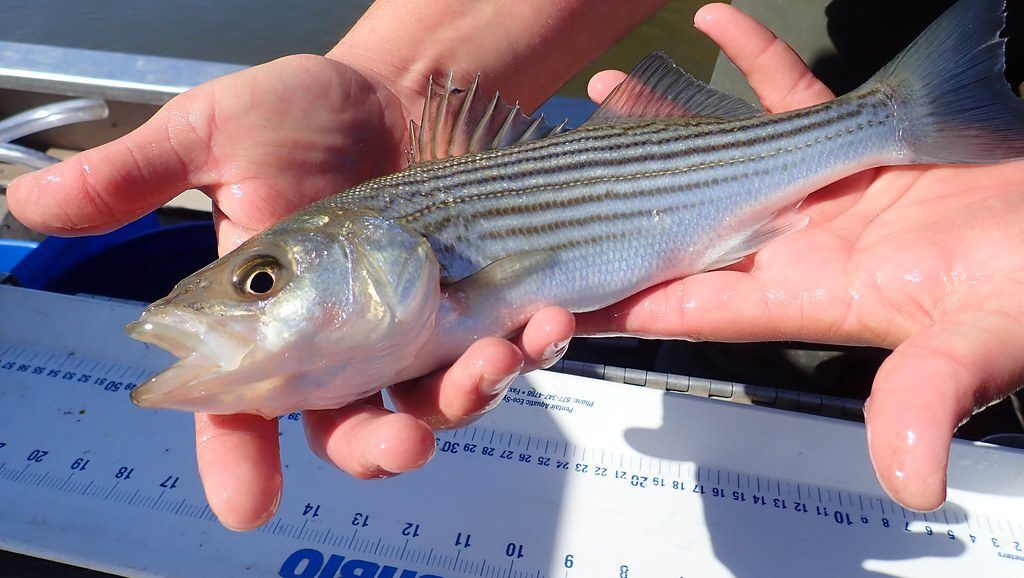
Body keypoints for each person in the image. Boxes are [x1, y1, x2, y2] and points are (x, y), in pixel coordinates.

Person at [8, 0, 1024, 532]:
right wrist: (386, 77)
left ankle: (898, 117)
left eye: (261, 280)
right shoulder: (417, 281)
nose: (249, 292)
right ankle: (895, 116)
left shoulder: (435, 275)